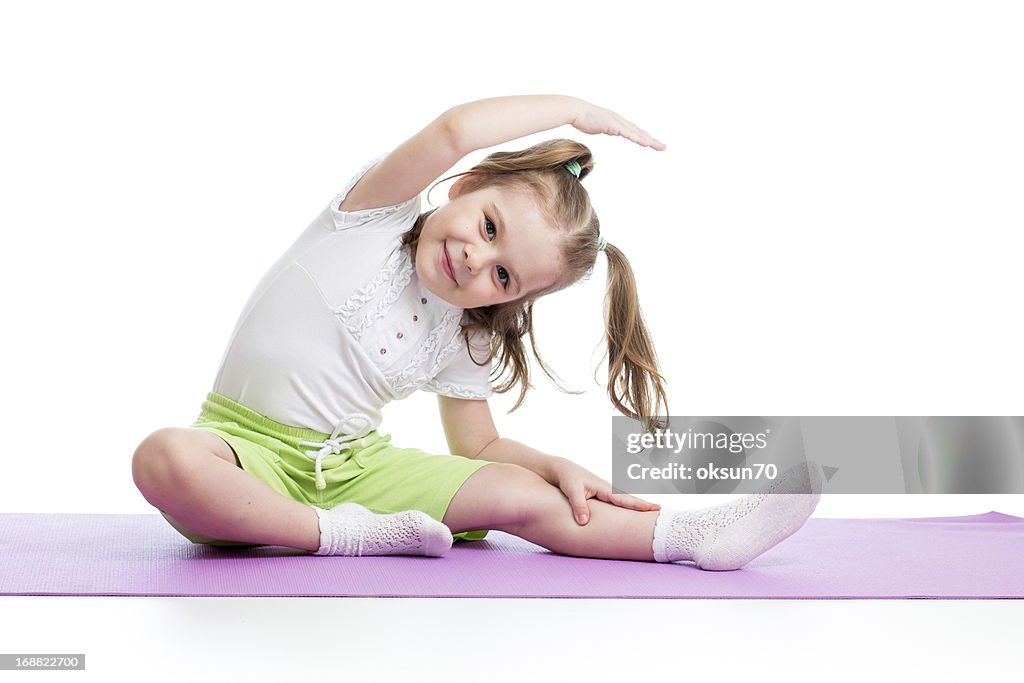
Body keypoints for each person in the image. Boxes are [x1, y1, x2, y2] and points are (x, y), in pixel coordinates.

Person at [131, 95, 821, 571]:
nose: (474, 260)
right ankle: (340, 537)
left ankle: (690, 535)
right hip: (244, 458)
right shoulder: (366, 218)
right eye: (489, 228)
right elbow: (454, 128)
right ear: (467, 185)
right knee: (166, 459)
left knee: (520, 497)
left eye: (503, 276)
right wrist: (574, 111)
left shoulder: (467, 330)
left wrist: (555, 469)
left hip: (357, 469)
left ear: (515, 298)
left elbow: (479, 445)